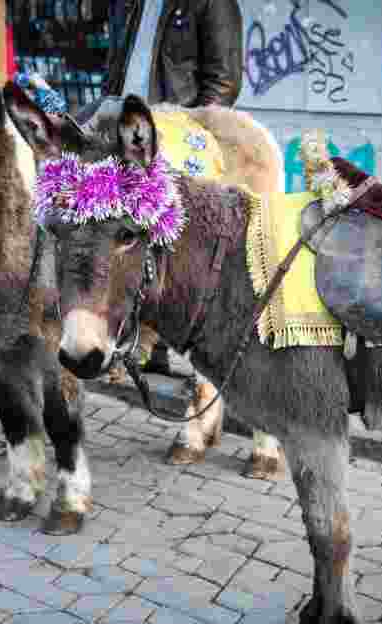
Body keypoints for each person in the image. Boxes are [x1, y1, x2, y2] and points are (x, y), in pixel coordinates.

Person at [101, 0, 244, 374]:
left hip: (174, 142)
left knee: (174, 251)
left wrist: (187, 133)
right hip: (123, 136)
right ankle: (132, 339)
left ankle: (175, 348)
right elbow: (119, 66)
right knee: (122, 243)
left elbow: (224, 81)